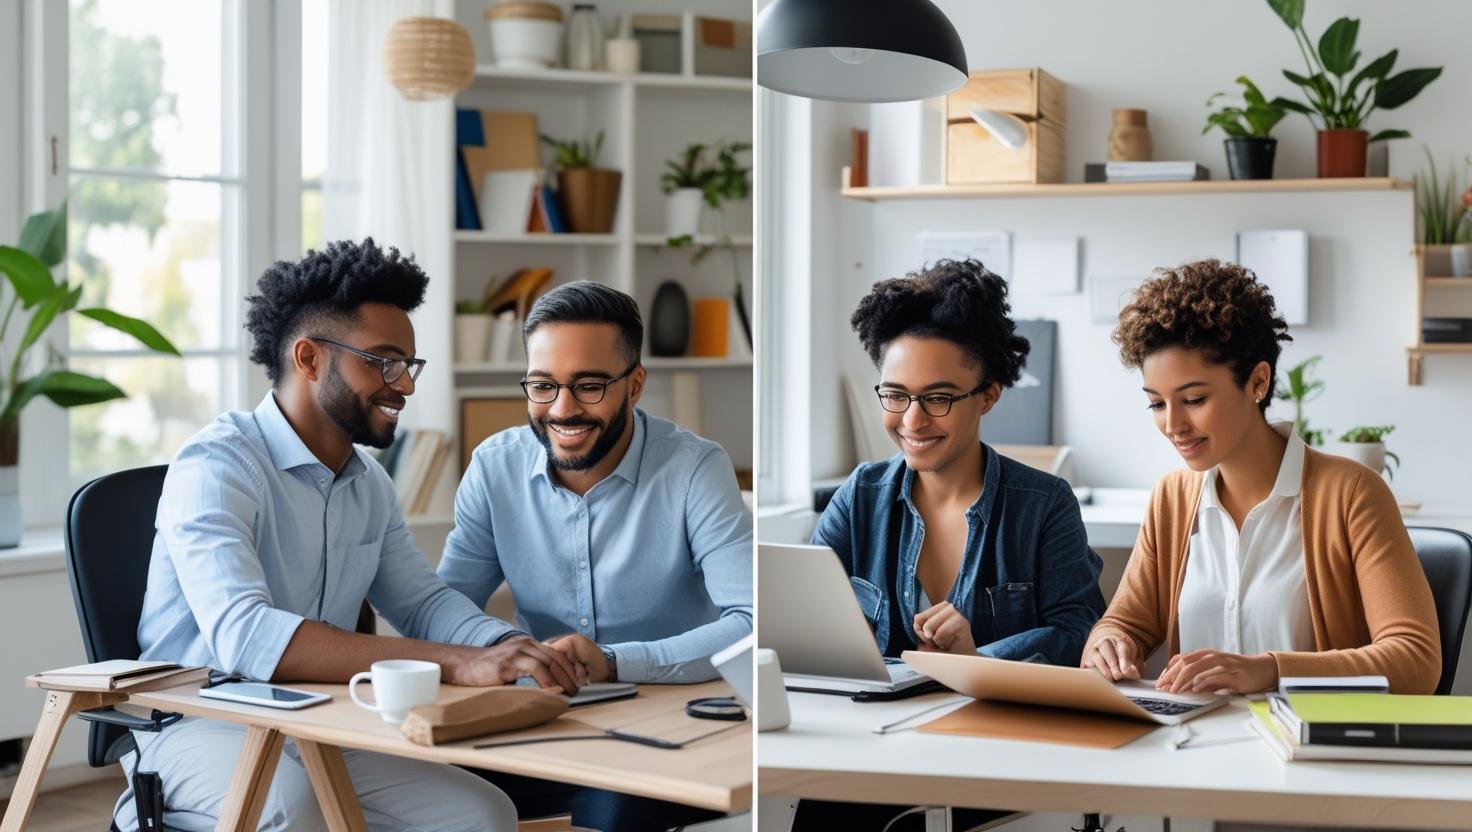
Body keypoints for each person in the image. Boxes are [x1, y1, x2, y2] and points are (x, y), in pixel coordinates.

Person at [114, 239, 582, 832]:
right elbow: (246, 636)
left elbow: (423, 602)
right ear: (309, 358)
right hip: (198, 724)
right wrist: (459, 665)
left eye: (408, 365)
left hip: (319, 720)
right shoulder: (216, 465)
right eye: (383, 362)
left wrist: (510, 652)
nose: (404, 386)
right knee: (293, 808)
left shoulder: (370, 484)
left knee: (481, 813)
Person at [800, 259, 1105, 830]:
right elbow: (804, 620)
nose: (912, 420)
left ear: (987, 395)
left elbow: (1081, 635)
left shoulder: (1044, 504)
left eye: (938, 397)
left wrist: (976, 662)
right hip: (871, 751)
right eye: (895, 395)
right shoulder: (859, 496)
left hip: (996, 754)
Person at [437, 280, 752, 832]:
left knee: (608, 814)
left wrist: (612, 661)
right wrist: (508, 649)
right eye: (542, 386)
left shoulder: (695, 469)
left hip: (671, 727)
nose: (562, 409)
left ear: (634, 385)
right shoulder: (494, 466)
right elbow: (445, 608)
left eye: (588, 386)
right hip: (542, 723)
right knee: (428, 793)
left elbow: (750, 625)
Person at [1082, 258, 1439, 695]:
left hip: (1309, 749)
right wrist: (1107, 642)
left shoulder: (1351, 494)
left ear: (1257, 382)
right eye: (1157, 403)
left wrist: (1269, 670)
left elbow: (1416, 659)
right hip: (1194, 746)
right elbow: (1126, 622)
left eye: (1193, 399)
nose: (1172, 424)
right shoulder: (1172, 498)